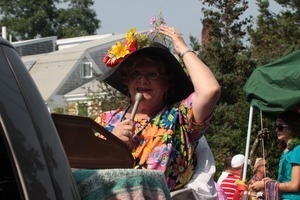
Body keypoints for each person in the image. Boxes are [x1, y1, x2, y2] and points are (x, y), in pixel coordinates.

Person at [95, 24, 221, 192]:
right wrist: (113, 144)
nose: (143, 80)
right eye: (136, 74)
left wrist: (182, 49)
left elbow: (210, 90)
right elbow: (82, 169)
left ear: (167, 82)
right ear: (127, 80)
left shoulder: (181, 120)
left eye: (152, 74)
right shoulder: (105, 121)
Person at [250, 111, 300, 199]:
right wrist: (273, 182)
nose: (276, 130)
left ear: (291, 128)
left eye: (280, 127)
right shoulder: (286, 151)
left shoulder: (297, 150)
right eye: (276, 127)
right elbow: (286, 181)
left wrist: (266, 185)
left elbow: (294, 185)